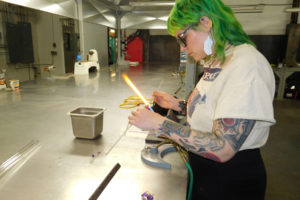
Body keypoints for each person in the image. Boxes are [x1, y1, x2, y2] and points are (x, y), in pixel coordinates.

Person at [128, 0, 276, 199]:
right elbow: (216, 108)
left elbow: (223, 148)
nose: (182, 48)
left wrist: (161, 124)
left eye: (183, 38)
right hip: (206, 174)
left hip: (230, 182)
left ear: (205, 22)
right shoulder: (221, 60)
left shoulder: (246, 65)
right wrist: (177, 105)